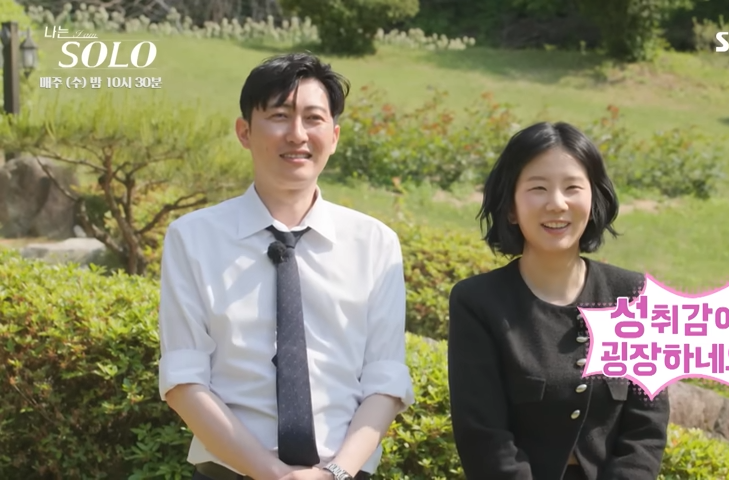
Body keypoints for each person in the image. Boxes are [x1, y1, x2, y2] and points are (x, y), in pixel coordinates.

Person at [157, 52, 415, 480]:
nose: (297, 134)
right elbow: (184, 381)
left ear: (334, 135)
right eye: (279, 116)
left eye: (313, 119)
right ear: (244, 132)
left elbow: (385, 380)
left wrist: (334, 473)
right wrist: (274, 474)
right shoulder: (193, 238)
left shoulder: (374, 243)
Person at [446, 121, 670, 480]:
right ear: (510, 207)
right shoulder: (476, 302)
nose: (557, 203)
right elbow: (483, 437)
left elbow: (646, 431)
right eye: (538, 188)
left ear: (594, 200)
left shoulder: (635, 296)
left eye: (572, 188)